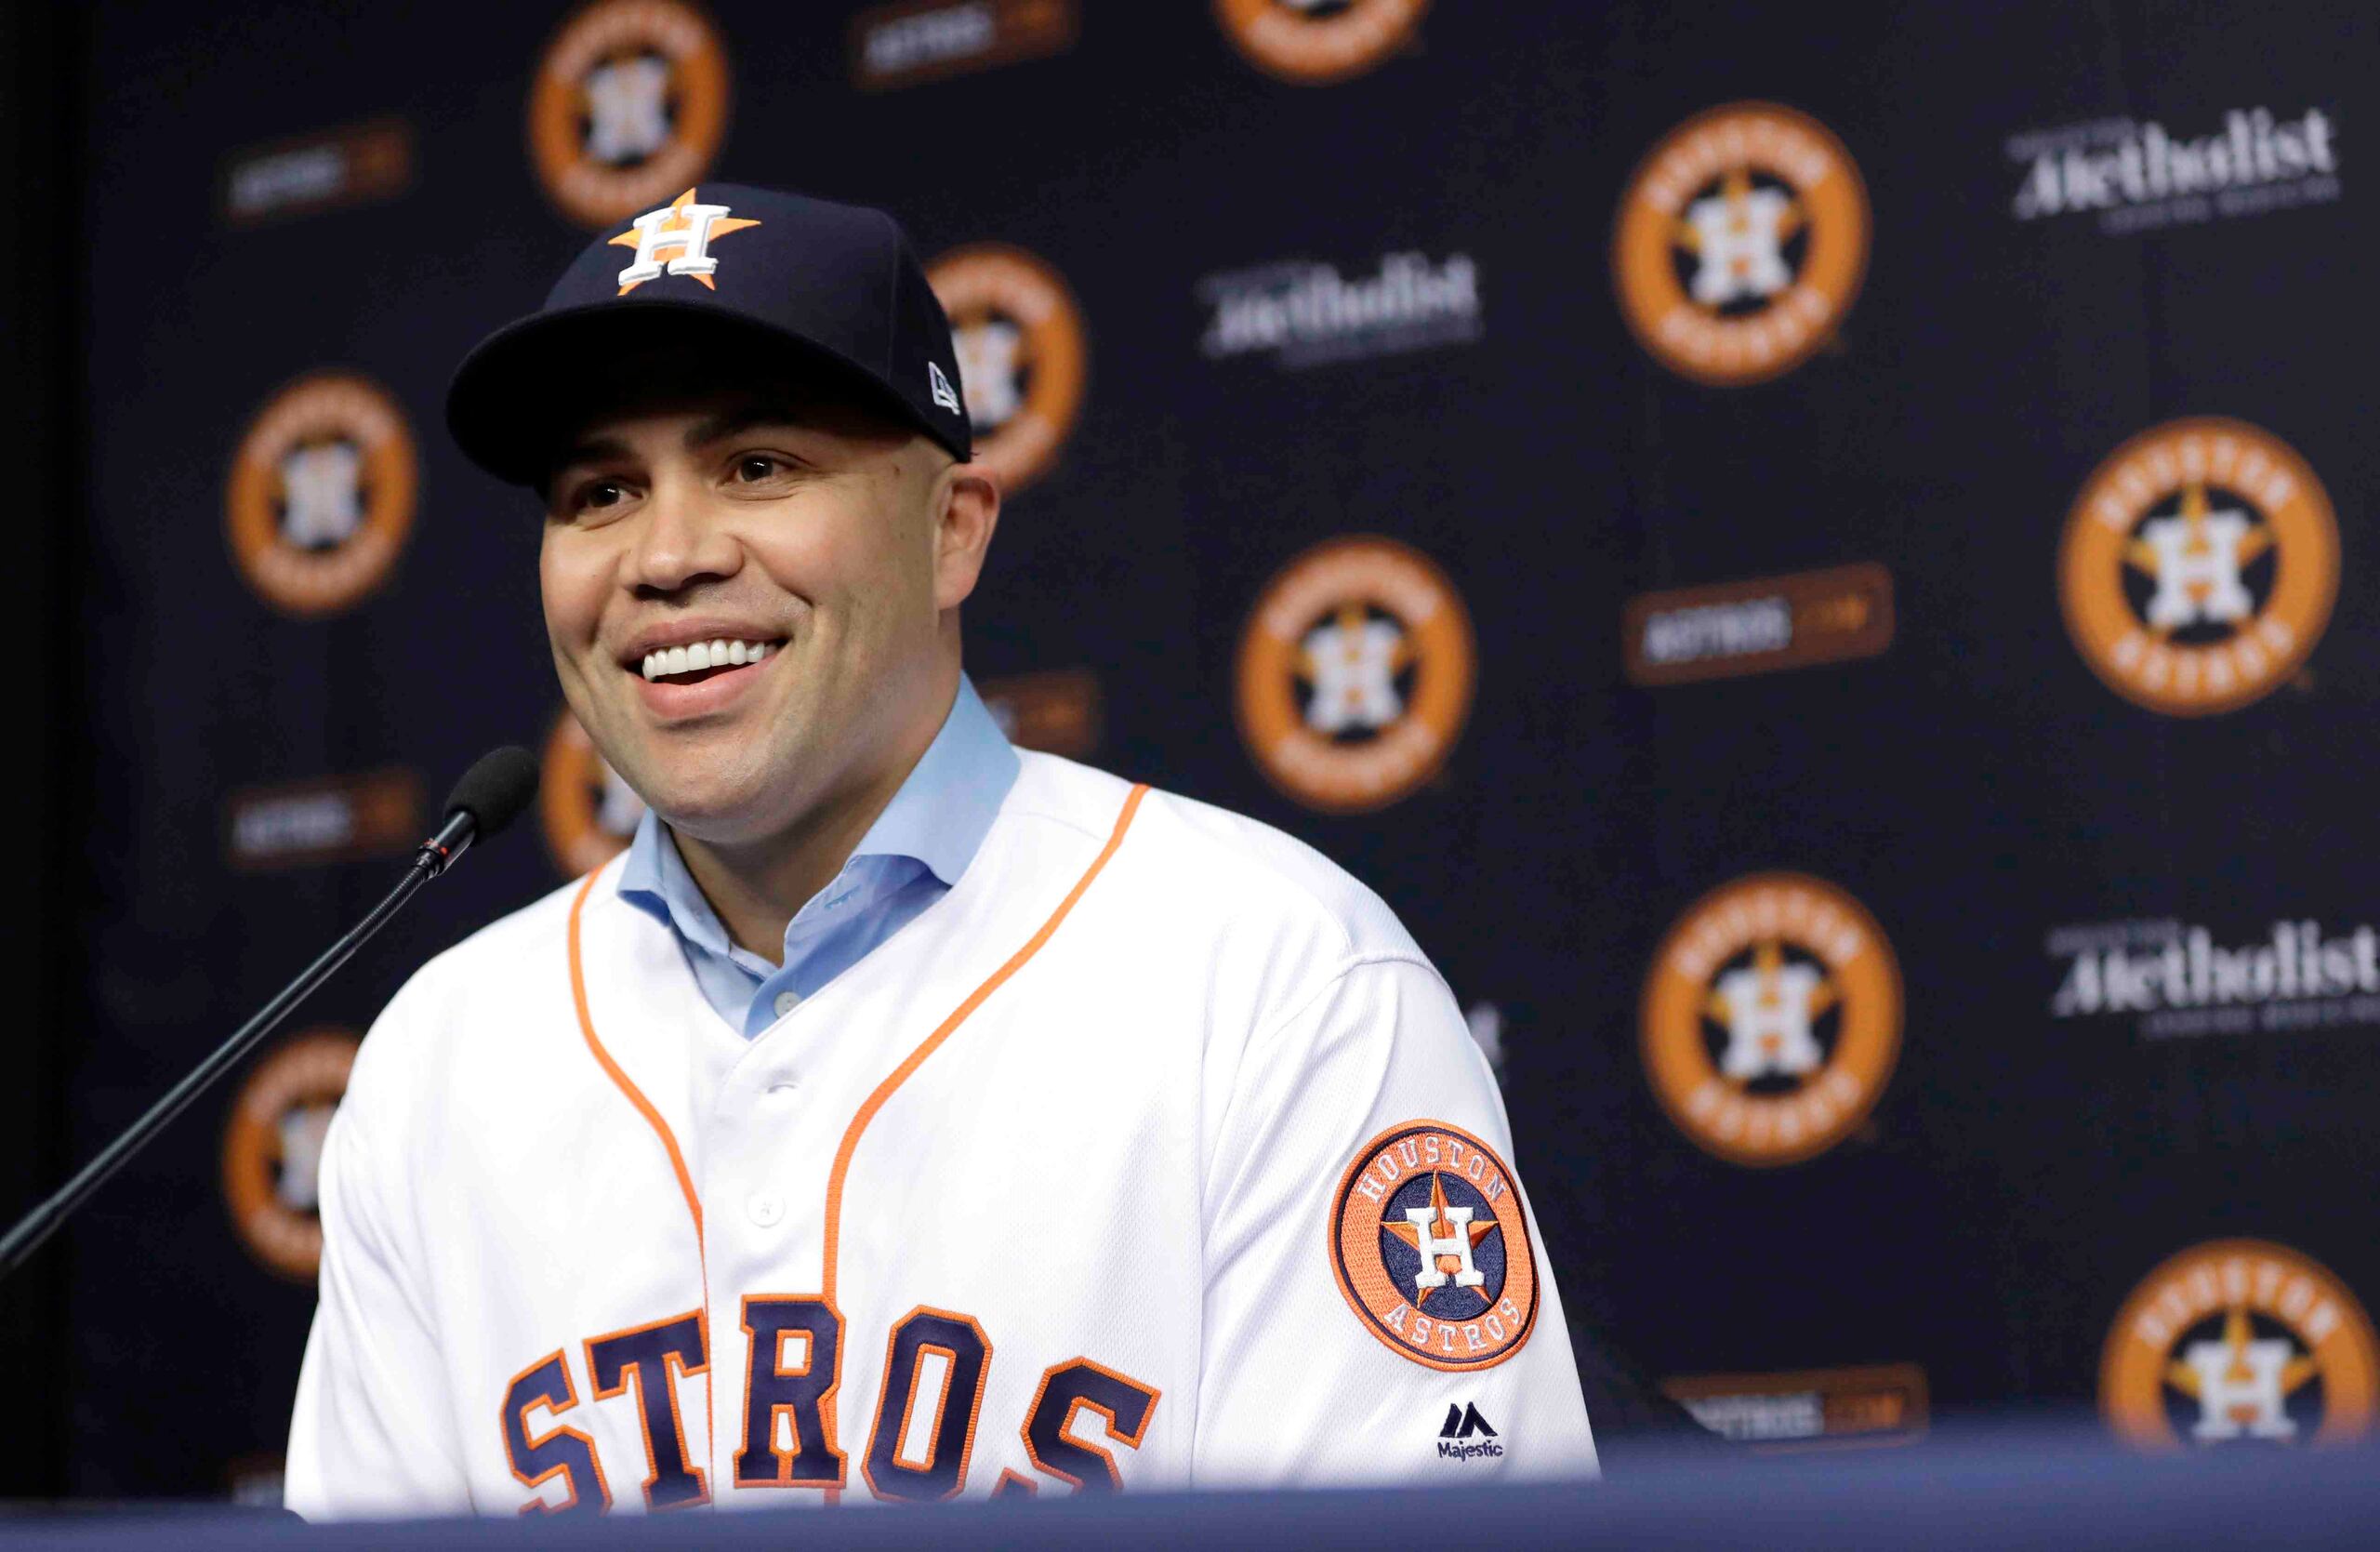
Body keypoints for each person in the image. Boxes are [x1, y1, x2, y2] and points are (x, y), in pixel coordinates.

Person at [284, 185, 1597, 1519]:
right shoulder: (440, 1056)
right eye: (602, 491)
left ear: (952, 528)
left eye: (759, 466)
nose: (667, 556)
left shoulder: (1276, 983)